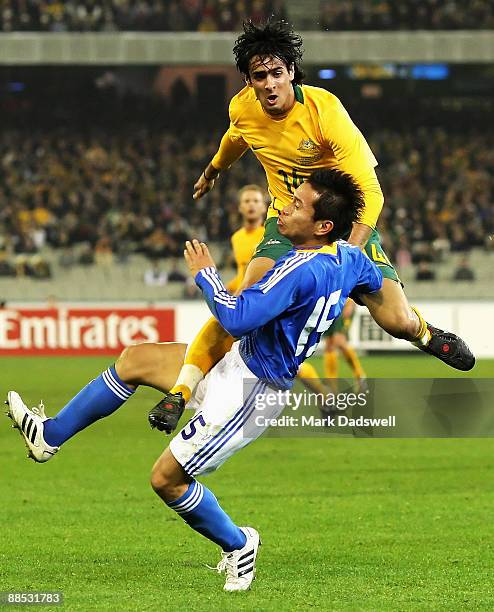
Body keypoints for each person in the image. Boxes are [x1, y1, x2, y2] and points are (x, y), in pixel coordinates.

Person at [7, 169, 384, 592]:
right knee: (136, 359)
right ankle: (50, 436)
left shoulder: (300, 268)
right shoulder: (348, 258)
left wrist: (206, 275)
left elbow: (238, 318)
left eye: (296, 205)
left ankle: (239, 544)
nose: (284, 206)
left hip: (251, 391)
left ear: (322, 226)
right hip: (238, 363)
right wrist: (418, 331)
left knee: (166, 479)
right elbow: (374, 283)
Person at [157, 19, 474, 425]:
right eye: (259, 76)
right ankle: (181, 392)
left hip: (343, 226)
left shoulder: (325, 111)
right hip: (286, 221)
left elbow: (371, 193)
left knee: (397, 321)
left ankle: (426, 335)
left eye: (277, 73)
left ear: (291, 71)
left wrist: (348, 253)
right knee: (243, 305)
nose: (269, 84)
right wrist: (214, 169)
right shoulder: (242, 107)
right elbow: (236, 137)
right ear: (248, 80)